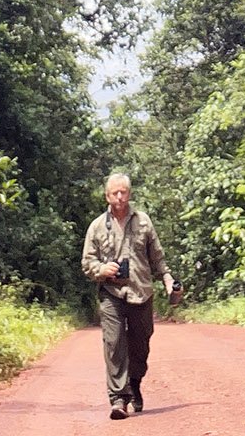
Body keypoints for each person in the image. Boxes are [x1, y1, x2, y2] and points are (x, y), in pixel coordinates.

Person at [81, 172, 176, 420]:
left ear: (129, 194)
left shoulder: (143, 221)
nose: (120, 197)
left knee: (140, 345)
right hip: (111, 293)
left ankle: (134, 383)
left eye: (124, 192)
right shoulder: (97, 226)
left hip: (141, 292)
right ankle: (118, 399)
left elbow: (157, 257)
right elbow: (87, 262)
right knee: (113, 345)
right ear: (107, 196)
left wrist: (167, 279)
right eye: (115, 193)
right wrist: (102, 269)